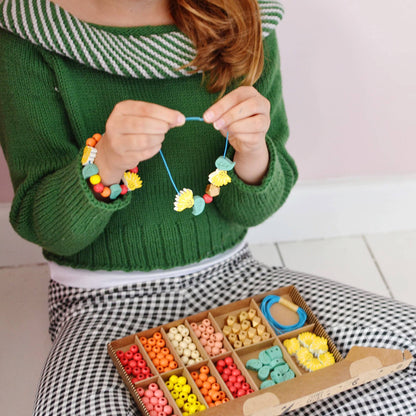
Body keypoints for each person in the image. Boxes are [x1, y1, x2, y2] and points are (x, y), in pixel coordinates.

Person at [0, 0, 414, 415]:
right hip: (99, 303)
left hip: (237, 279)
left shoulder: (245, 15)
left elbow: (252, 212)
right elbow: (46, 227)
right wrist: (104, 162)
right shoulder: (26, 30)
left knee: (405, 346)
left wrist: (252, 152)